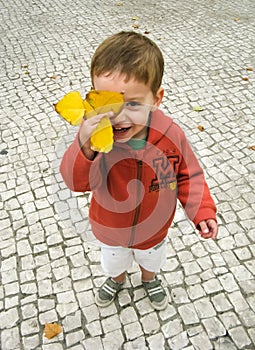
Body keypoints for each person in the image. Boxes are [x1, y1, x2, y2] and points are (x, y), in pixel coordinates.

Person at [60, 31, 218, 310]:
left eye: (132, 104)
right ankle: (117, 280)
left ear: (156, 99)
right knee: (113, 261)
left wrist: (202, 210)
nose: (119, 115)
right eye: (108, 103)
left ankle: (149, 279)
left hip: (154, 231)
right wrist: (86, 146)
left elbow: (189, 174)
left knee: (152, 259)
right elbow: (76, 182)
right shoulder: (98, 142)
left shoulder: (170, 135)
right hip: (110, 231)